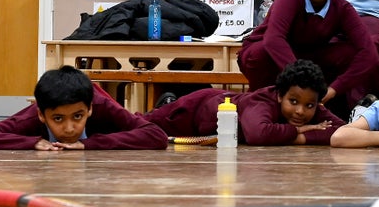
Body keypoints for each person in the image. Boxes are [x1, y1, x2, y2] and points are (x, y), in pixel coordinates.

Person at [236, 0, 378, 119]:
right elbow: (274, 39)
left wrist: (335, 88)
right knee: (261, 53)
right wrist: (303, 80)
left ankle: (331, 107)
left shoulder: (342, 8)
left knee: (347, 52)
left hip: (308, 57)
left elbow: (369, 53)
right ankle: (263, 105)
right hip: (272, 56)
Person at [0, 65, 167, 150]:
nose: (69, 128)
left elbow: (156, 136)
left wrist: (90, 144)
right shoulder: (31, 118)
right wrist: (31, 142)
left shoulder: (101, 107)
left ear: (89, 109)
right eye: (58, 119)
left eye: (77, 116)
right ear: (42, 114)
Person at [144, 60, 342, 145]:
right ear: (280, 95)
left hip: (207, 122)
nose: (300, 111)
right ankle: (167, 103)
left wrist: (306, 132)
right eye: (293, 101)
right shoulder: (262, 101)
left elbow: (343, 131)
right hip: (193, 110)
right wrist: (301, 131)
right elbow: (259, 134)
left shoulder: (307, 103)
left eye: (310, 106)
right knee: (139, 125)